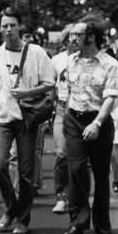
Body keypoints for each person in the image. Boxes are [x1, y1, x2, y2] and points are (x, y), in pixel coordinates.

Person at [0, 6, 54, 234]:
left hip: (27, 119)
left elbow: (50, 83)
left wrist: (26, 93)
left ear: (19, 27)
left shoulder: (36, 52)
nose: (8, 29)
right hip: (3, 118)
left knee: (25, 172)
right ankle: (12, 207)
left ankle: (23, 219)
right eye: (4, 25)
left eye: (12, 25)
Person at [61, 18, 118, 234]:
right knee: (76, 169)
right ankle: (78, 223)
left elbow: (110, 99)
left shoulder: (110, 64)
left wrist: (96, 123)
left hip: (99, 122)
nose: (72, 37)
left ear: (91, 37)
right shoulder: (70, 61)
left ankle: (102, 221)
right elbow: (69, 90)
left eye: (77, 34)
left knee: (100, 172)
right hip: (74, 121)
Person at [49, 24, 75, 214]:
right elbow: (50, 88)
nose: (74, 41)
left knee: (81, 159)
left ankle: (78, 197)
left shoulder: (87, 60)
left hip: (80, 110)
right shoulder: (56, 60)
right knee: (61, 154)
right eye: (70, 38)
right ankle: (61, 198)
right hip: (61, 108)